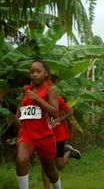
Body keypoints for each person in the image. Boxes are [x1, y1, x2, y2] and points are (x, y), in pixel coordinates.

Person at [15, 59, 61, 189]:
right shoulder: (26, 89)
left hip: (44, 135)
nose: (34, 74)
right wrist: (17, 118)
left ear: (46, 73)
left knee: (50, 171)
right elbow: (21, 109)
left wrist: (38, 99)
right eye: (32, 72)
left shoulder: (50, 91)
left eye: (38, 71)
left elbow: (55, 113)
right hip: (27, 133)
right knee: (21, 160)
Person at [42, 95, 81, 189]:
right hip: (45, 135)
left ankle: (69, 152)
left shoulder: (57, 99)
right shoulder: (38, 99)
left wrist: (57, 120)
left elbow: (70, 111)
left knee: (59, 165)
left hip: (59, 135)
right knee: (45, 164)